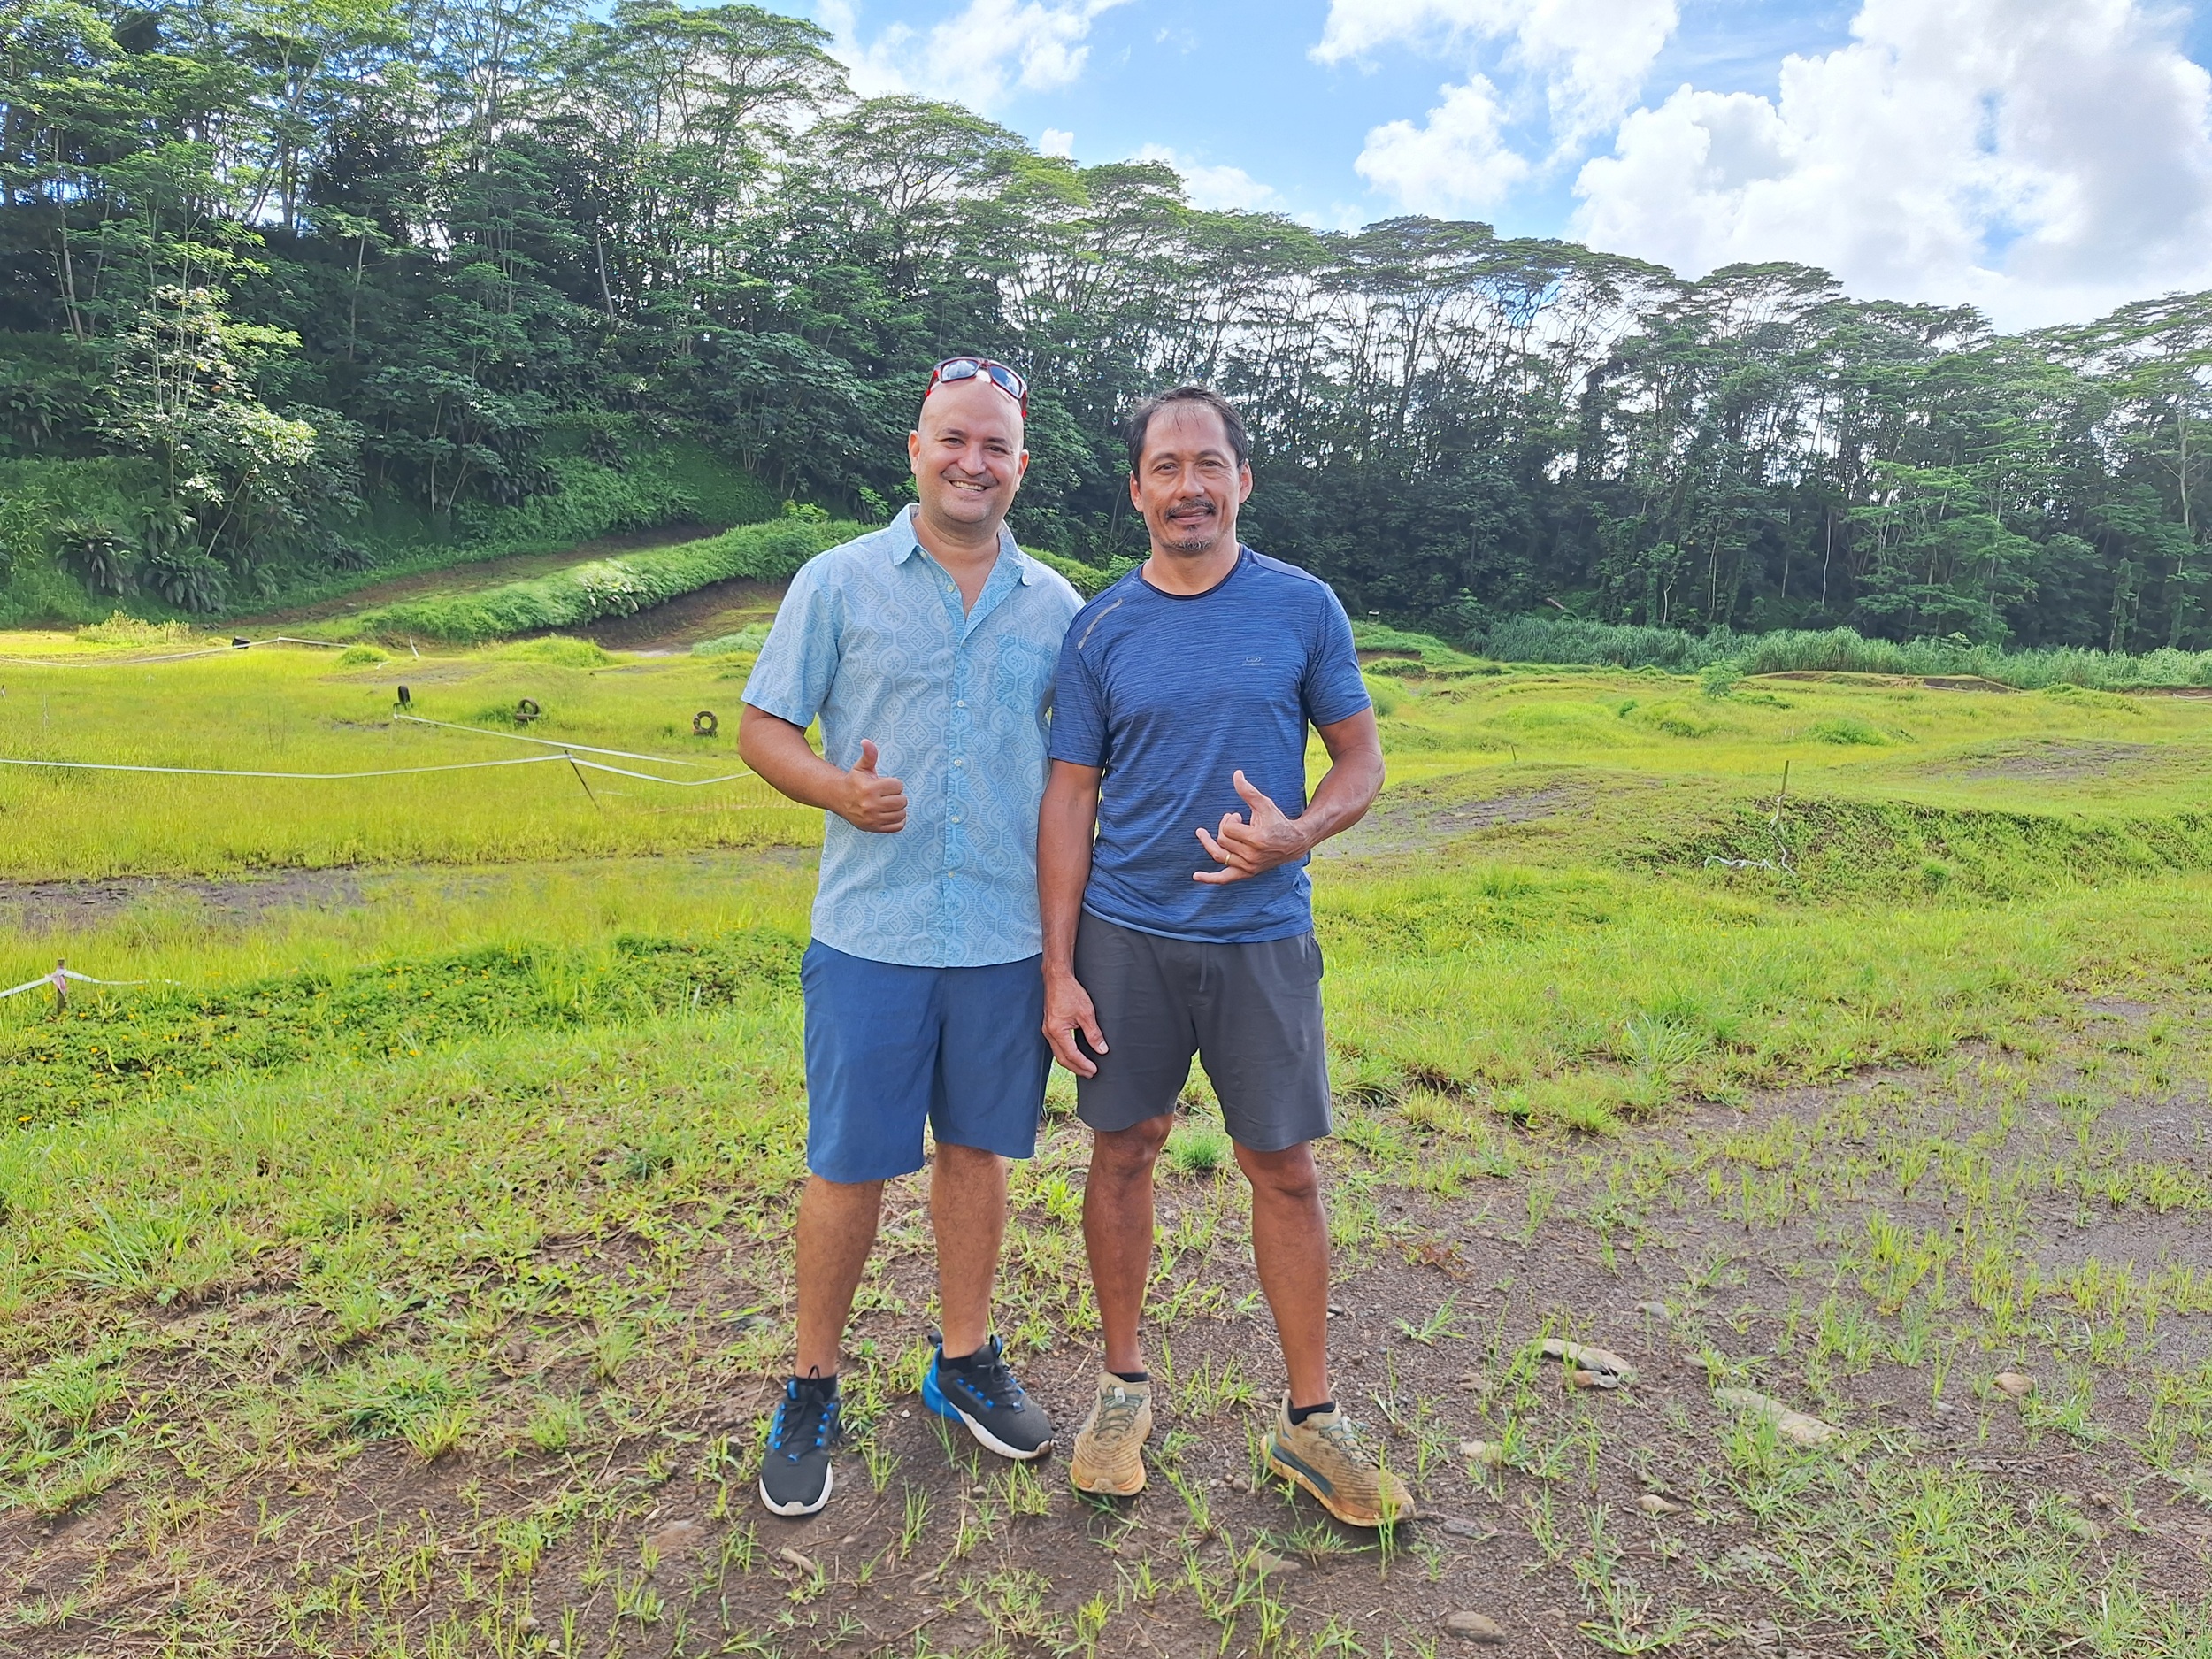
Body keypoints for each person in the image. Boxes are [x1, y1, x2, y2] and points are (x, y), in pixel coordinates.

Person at [1038, 385, 1409, 1527]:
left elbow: (1358, 761)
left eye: (1210, 464)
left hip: (1262, 939)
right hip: (1125, 936)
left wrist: (1301, 830)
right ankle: (1121, 1389)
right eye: (1167, 467)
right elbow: (1067, 802)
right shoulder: (1100, 628)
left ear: (1243, 480)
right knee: (1124, 1150)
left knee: (1284, 1168)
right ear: (1138, 489)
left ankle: (1311, 1422)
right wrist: (1057, 969)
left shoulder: (1303, 607)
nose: (1189, 486)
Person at [739, 357, 1081, 1517]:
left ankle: (964, 1360)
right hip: (871, 933)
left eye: (995, 446)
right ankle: (812, 1383)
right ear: (916, 450)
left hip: (1000, 936)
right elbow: (763, 728)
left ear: (1020, 465)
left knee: (976, 1154)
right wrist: (836, 790)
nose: (972, 462)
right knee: (846, 1165)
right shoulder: (835, 583)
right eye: (953, 441)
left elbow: (1081, 769)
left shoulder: (1058, 607)